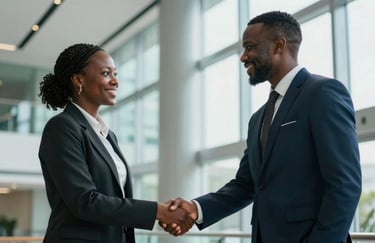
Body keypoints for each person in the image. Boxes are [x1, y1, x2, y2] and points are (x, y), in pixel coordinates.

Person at [161, 11, 362, 243]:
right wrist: (196, 209)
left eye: (250, 47)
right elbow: (246, 185)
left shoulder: (322, 93)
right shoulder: (258, 118)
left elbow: (345, 184)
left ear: (279, 45)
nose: (243, 57)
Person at [38, 43, 194, 243]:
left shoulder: (107, 135)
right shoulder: (62, 127)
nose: (115, 82)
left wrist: (162, 213)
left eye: (115, 74)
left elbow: (115, 199)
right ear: (78, 80)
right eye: (106, 73)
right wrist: (158, 211)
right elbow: (85, 202)